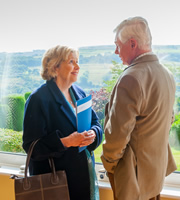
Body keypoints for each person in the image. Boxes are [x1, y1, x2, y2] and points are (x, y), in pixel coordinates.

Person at [101, 16, 177, 200]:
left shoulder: (131, 78)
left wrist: (110, 164)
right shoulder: (167, 74)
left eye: (118, 45)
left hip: (133, 179)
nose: (116, 51)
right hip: (154, 175)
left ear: (133, 44)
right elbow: (170, 119)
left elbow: (117, 134)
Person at [23, 45, 103, 200]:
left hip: (84, 180)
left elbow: (96, 123)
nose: (78, 67)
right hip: (57, 186)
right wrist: (67, 142)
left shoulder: (78, 92)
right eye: (72, 61)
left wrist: (94, 133)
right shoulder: (38, 99)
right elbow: (32, 147)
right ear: (55, 67)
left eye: (77, 61)